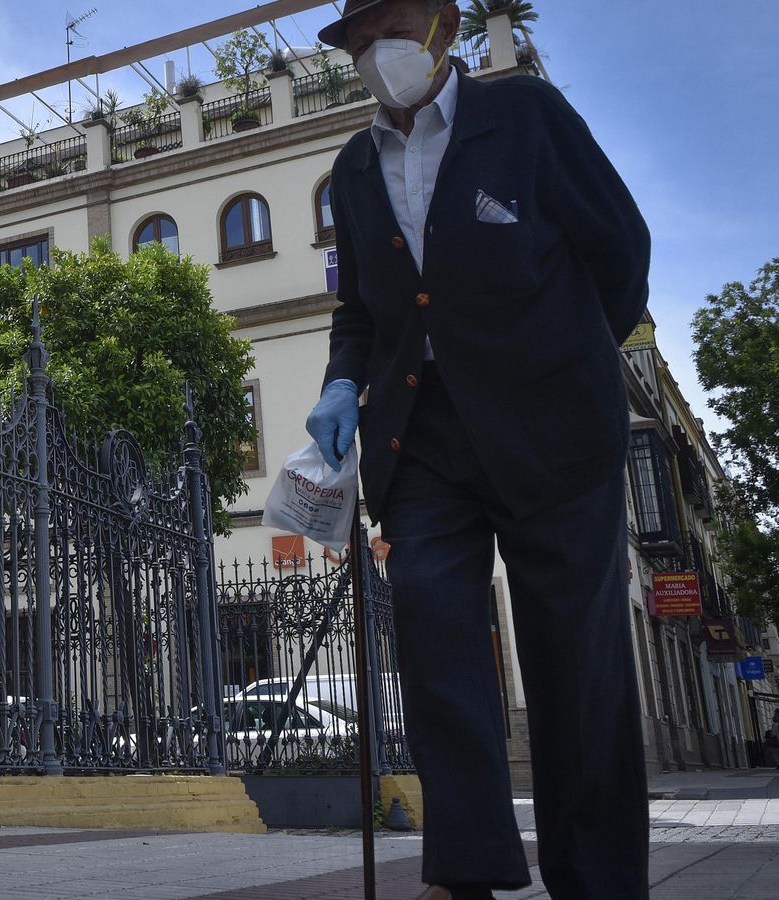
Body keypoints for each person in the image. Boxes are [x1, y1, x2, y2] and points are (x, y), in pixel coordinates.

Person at [307, 2, 651, 898]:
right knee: (434, 638)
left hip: (555, 435)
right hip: (421, 441)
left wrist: (561, 357)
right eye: (357, 36)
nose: (375, 47)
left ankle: (598, 879)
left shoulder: (526, 116)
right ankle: (465, 872)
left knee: (577, 664)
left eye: (394, 21)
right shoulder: (351, 166)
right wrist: (343, 380)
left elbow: (621, 249)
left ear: (445, 28)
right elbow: (361, 309)